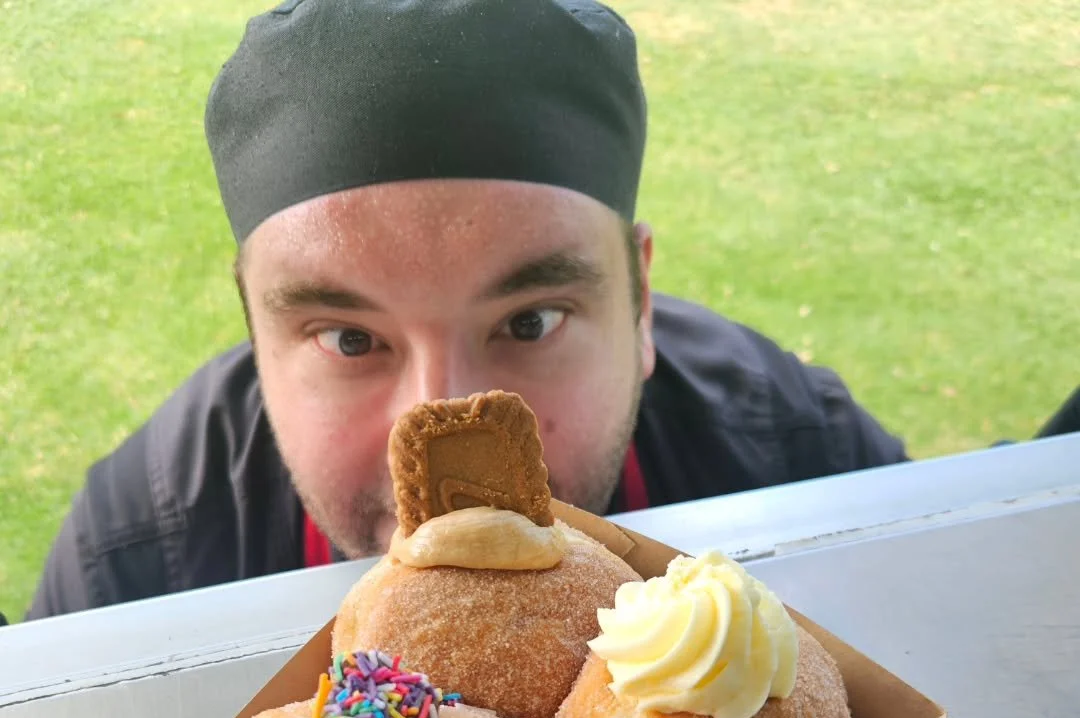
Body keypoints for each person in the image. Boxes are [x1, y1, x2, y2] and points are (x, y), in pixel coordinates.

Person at [26, 0, 907, 622]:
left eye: (530, 321)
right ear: (256, 335)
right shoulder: (140, 564)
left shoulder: (807, 467)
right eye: (350, 338)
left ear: (639, 304)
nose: (444, 453)